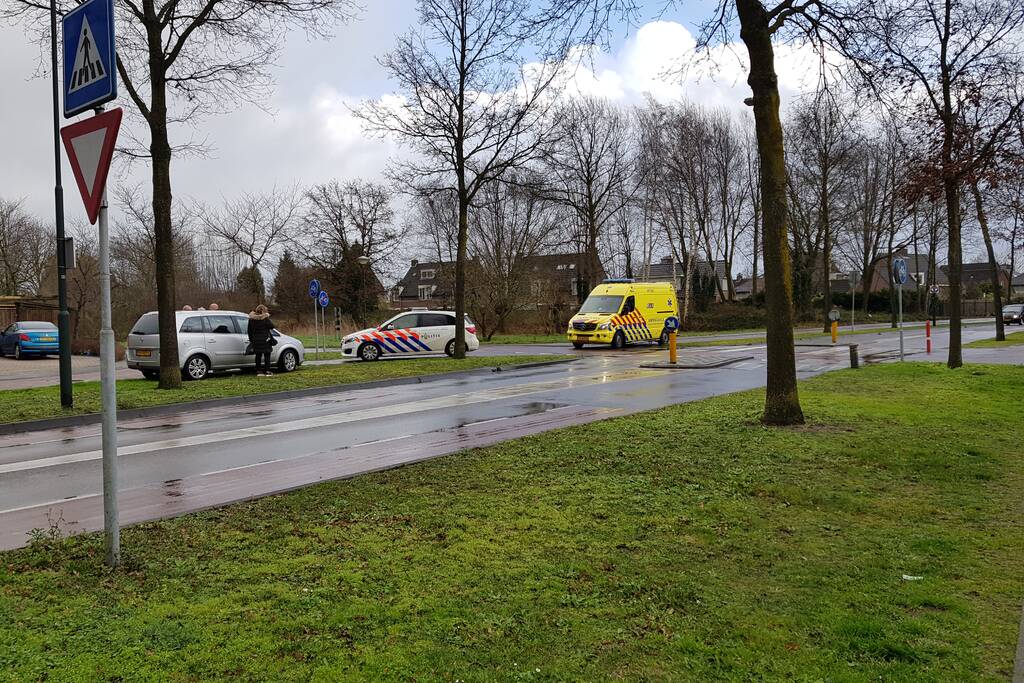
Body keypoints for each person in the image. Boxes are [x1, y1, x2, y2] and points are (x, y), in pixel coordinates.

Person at [247, 304, 277, 376]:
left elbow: (249, 331)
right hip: (265, 340)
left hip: (256, 340)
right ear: (263, 311)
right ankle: (267, 371)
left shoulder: (251, 319)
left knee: (258, 356)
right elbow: (272, 326)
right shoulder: (265, 319)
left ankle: (259, 371)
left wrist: (252, 340)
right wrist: (266, 316)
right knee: (267, 355)